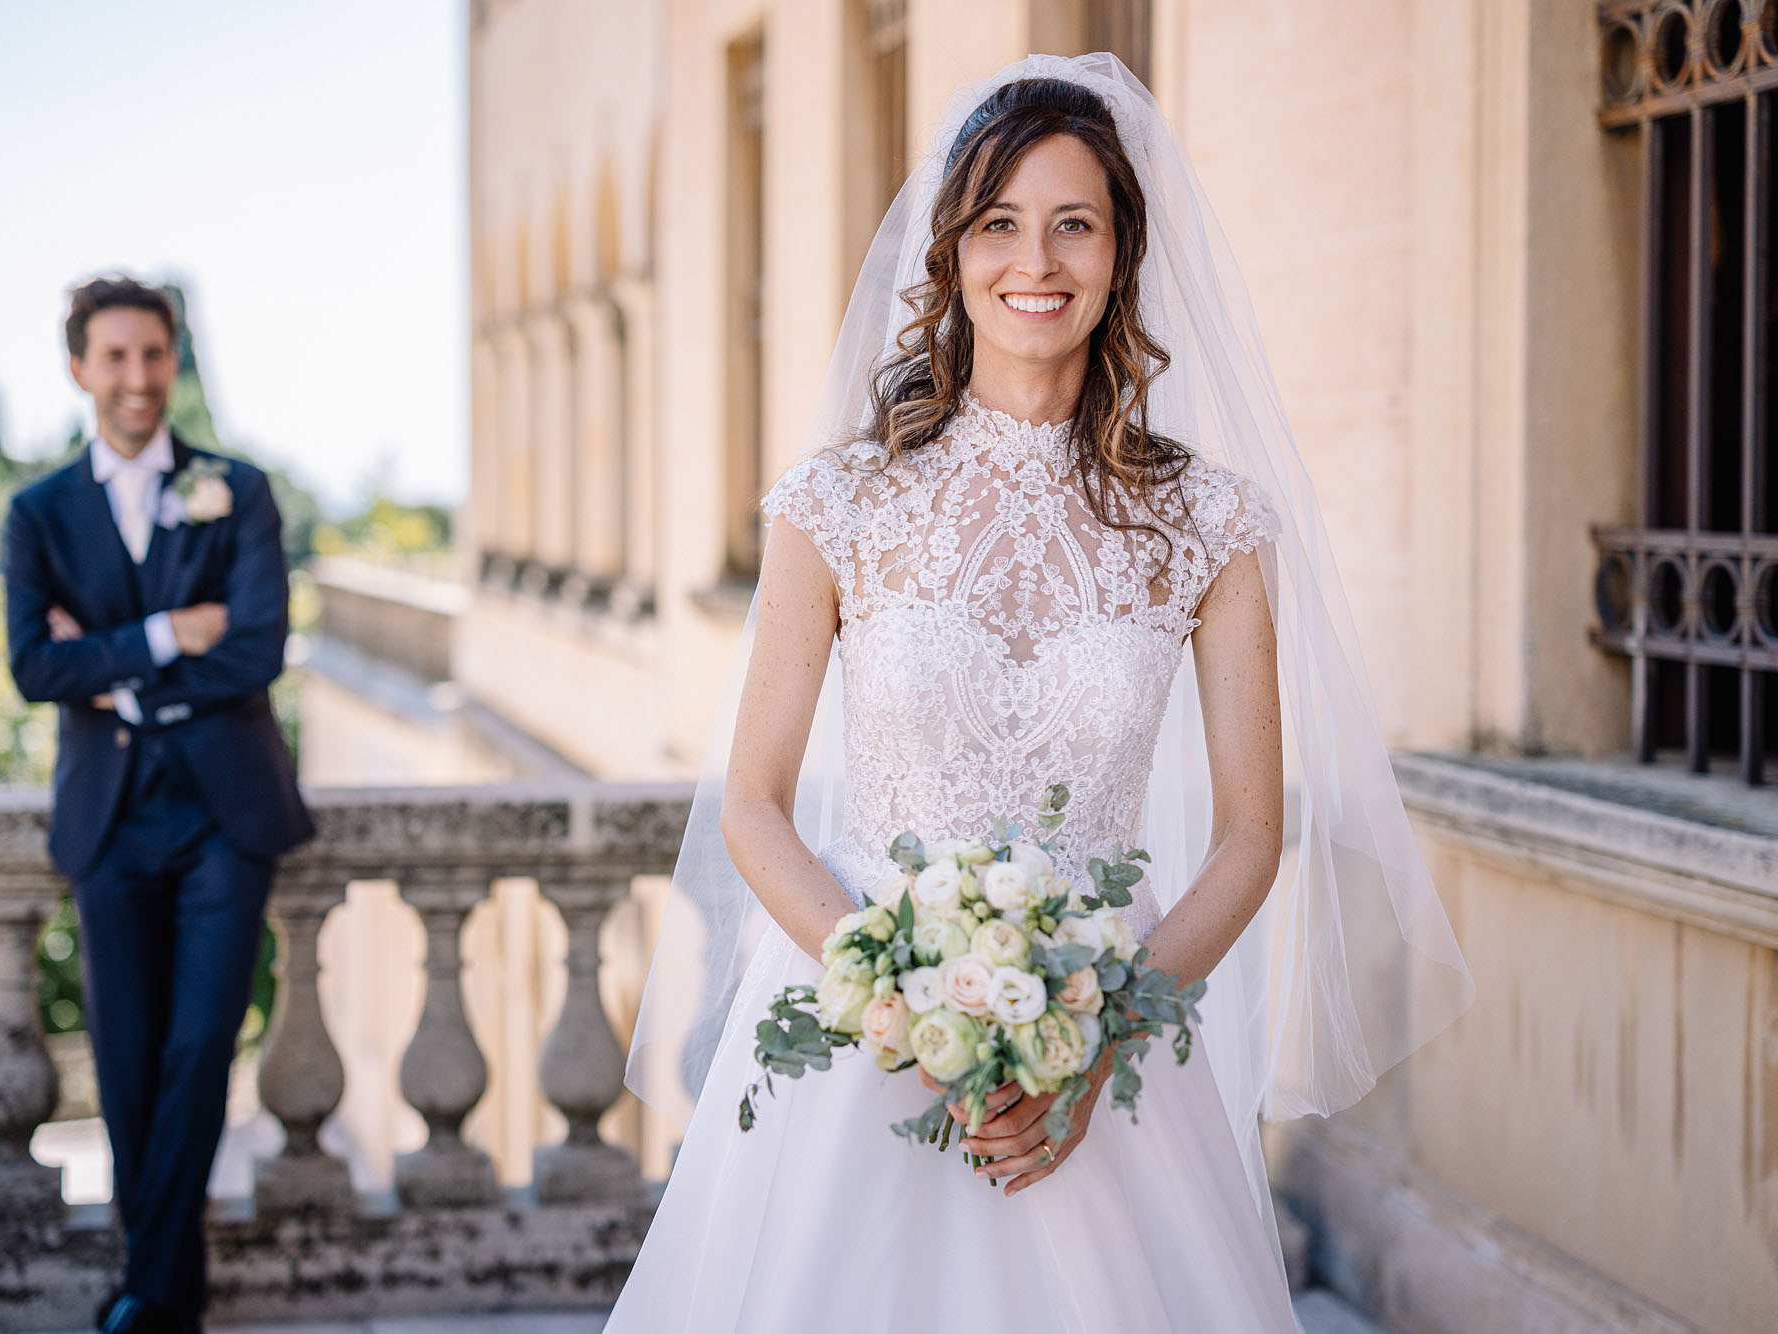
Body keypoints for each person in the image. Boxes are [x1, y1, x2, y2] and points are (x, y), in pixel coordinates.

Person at [610, 53, 1473, 1332]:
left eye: (1076, 223)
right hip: (864, 1041)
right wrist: (904, 1009)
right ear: (951, 256)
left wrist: (1091, 1040)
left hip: (1103, 1048)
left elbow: (1247, 835)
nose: (1038, 260)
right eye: (1000, 223)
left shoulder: (1209, 523)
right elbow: (751, 803)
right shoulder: (837, 505)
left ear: (1122, 255)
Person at [0, 276, 315, 1334]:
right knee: (127, 1049)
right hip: (108, 816)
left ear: (172, 362)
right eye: (117, 356)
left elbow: (256, 646)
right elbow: (33, 666)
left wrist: (111, 664)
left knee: (200, 1042)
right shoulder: (36, 512)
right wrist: (162, 635)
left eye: (154, 354)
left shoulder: (241, 489)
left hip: (228, 812)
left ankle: (147, 1289)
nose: (138, 377)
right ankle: (162, 1289)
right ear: (81, 367)